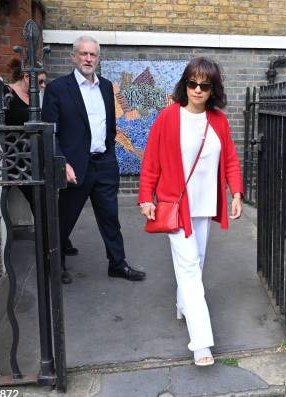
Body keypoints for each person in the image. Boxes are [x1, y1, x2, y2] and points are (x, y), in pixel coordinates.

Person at [138, 57, 244, 366]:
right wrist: (146, 197)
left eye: (204, 85)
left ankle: (182, 304)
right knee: (189, 269)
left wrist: (235, 193)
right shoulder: (168, 118)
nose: (197, 90)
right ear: (185, 85)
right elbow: (152, 162)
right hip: (175, 206)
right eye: (192, 83)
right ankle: (201, 344)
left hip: (205, 205)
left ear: (213, 89)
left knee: (195, 263)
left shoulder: (219, 121)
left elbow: (231, 161)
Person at [42, 35, 145, 284]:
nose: (88, 58)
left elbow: (110, 125)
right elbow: (49, 130)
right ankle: (55, 266)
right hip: (74, 166)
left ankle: (117, 264)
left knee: (110, 217)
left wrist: (109, 153)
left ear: (98, 59)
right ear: (74, 56)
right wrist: (61, 161)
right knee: (65, 219)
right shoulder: (58, 88)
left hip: (104, 163)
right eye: (83, 53)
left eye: (93, 55)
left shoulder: (107, 87)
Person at [4, 57, 79, 256]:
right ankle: (52, 250)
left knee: (48, 203)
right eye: (41, 82)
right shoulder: (6, 93)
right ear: (27, 77)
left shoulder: (36, 97)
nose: (44, 86)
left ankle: (59, 242)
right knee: (41, 205)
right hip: (16, 160)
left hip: (37, 158)